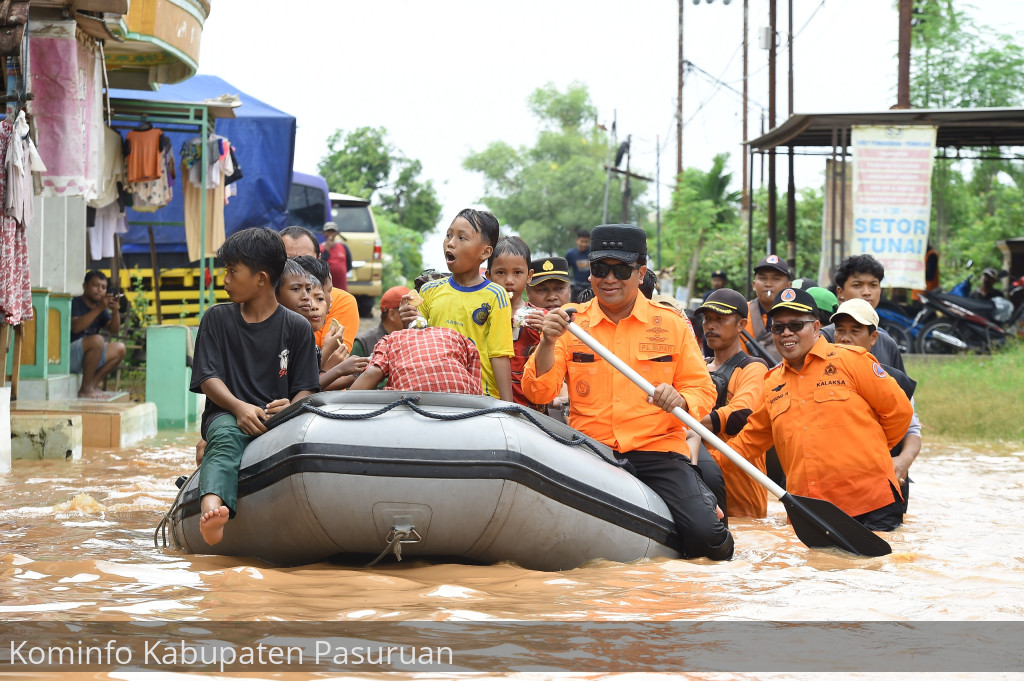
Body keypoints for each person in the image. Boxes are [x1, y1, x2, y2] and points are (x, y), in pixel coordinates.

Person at [522, 224, 733, 561]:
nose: (609, 279)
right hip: (590, 451)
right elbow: (538, 390)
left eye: (621, 269)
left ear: (641, 273)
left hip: (657, 450)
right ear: (589, 274)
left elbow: (702, 388)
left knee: (707, 538)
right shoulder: (570, 323)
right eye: (599, 269)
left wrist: (680, 399)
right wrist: (547, 342)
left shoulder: (672, 324)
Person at [728, 287, 915, 531]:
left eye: (796, 325)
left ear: (816, 328)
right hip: (811, 511)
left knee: (875, 568)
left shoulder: (851, 360)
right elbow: (749, 441)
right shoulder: (772, 382)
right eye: (778, 327)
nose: (786, 333)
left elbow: (900, 412)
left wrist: (868, 455)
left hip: (871, 504)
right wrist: (704, 463)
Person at [190, 227, 320, 546]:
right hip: (227, 415)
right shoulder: (216, 319)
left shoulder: (297, 327)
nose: (225, 280)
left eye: (232, 271)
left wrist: (291, 405)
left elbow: (306, 388)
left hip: (279, 420)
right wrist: (238, 407)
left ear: (261, 279)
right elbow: (208, 377)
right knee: (222, 440)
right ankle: (212, 511)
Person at [398, 208, 513, 401]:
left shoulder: (496, 295)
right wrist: (406, 321)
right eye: (448, 235)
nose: (450, 243)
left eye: (462, 238)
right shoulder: (428, 291)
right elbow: (416, 343)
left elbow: (499, 355)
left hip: (478, 397)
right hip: (433, 392)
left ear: (485, 252)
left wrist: (508, 407)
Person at [831, 298, 922, 512]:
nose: (845, 338)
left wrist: (902, 461)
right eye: (840, 330)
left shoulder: (894, 381)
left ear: (873, 338)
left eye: (855, 331)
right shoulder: (819, 378)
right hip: (837, 487)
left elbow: (912, 430)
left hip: (885, 487)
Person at [696, 288, 769, 518]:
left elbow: (742, 415)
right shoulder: (697, 368)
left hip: (743, 500)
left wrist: (687, 422)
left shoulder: (754, 368)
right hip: (699, 485)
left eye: (720, 319)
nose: (711, 325)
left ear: (741, 325)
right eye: (707, 318)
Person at [276, 259, 367, 390]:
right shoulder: (281, 337)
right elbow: (301, 388)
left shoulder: (307, 339)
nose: (309, 303)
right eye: (296, 289)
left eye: (320, 299)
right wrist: (334, 366)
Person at [820, 254, 906, 374]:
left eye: (873, 285)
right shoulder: (822, 338)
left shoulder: (887, 343)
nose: (867, 292)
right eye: (857, 285)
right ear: (840, 292)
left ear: (873, 337)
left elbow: (900, 390)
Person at [281, 227, 358, 352]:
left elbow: (334, 356)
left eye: (305, 260)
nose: (296, 268)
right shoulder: (269, 299)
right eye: (288, 261)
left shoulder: (341, 301)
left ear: (318, 259)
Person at [349, 326, 483, 394]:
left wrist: (345, 407)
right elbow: (476, 382)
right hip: (462, 401)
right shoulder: (453, 334)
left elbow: (371, 373)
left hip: (408, 401)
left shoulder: (391, 338)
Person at [487, 236, 539, 409]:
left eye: (517, 272)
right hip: (488, 405)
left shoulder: (538, 318)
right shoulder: (480, 316)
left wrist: (547, 334)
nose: (509, 281)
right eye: (501, 272)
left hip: (531, 410)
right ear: (488, 276)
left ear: (529, 276)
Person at [70, 271, 127, 399]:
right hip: (70, 356)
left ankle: (91, 386)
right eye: (95, 285)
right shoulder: (76, 302)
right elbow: (76, 327)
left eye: (103, 287)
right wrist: (100, 308)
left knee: (120, 348)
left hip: (90, 357)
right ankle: (85, 389)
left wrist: (115, 311)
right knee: (97, 340)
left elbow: (114, 330)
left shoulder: (99, 307)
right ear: (85, 286)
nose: (100, 290)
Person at [742, 255, 792, 364]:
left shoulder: (796, 315)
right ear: (754, 285)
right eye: (763, 278)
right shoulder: (741, 312)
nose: (768, 284)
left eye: (776, 279)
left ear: (789, 286)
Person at [352, 285, 410, 357]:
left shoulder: (414, 339)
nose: (415, 315)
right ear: (392, 315)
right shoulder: (363, 344)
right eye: (409, 311)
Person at [320, 221, 352, 292]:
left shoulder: (343, 247)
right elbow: (319, 265)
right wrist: (326, 250)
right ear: (324, 233)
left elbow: (349, 265)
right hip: (326, 289)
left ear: (336, 233)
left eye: (333, 231)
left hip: (342, 288)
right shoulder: (320, 248)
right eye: (328, 231)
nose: (330, 234)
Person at [565, 228, 592, 303]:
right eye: (582, 241)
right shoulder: (570, 254)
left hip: (591, 287)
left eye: (586, 242)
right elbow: (565, 270)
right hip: (577, 287)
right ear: (577, 240)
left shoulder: (593, 252)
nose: (584, 244)